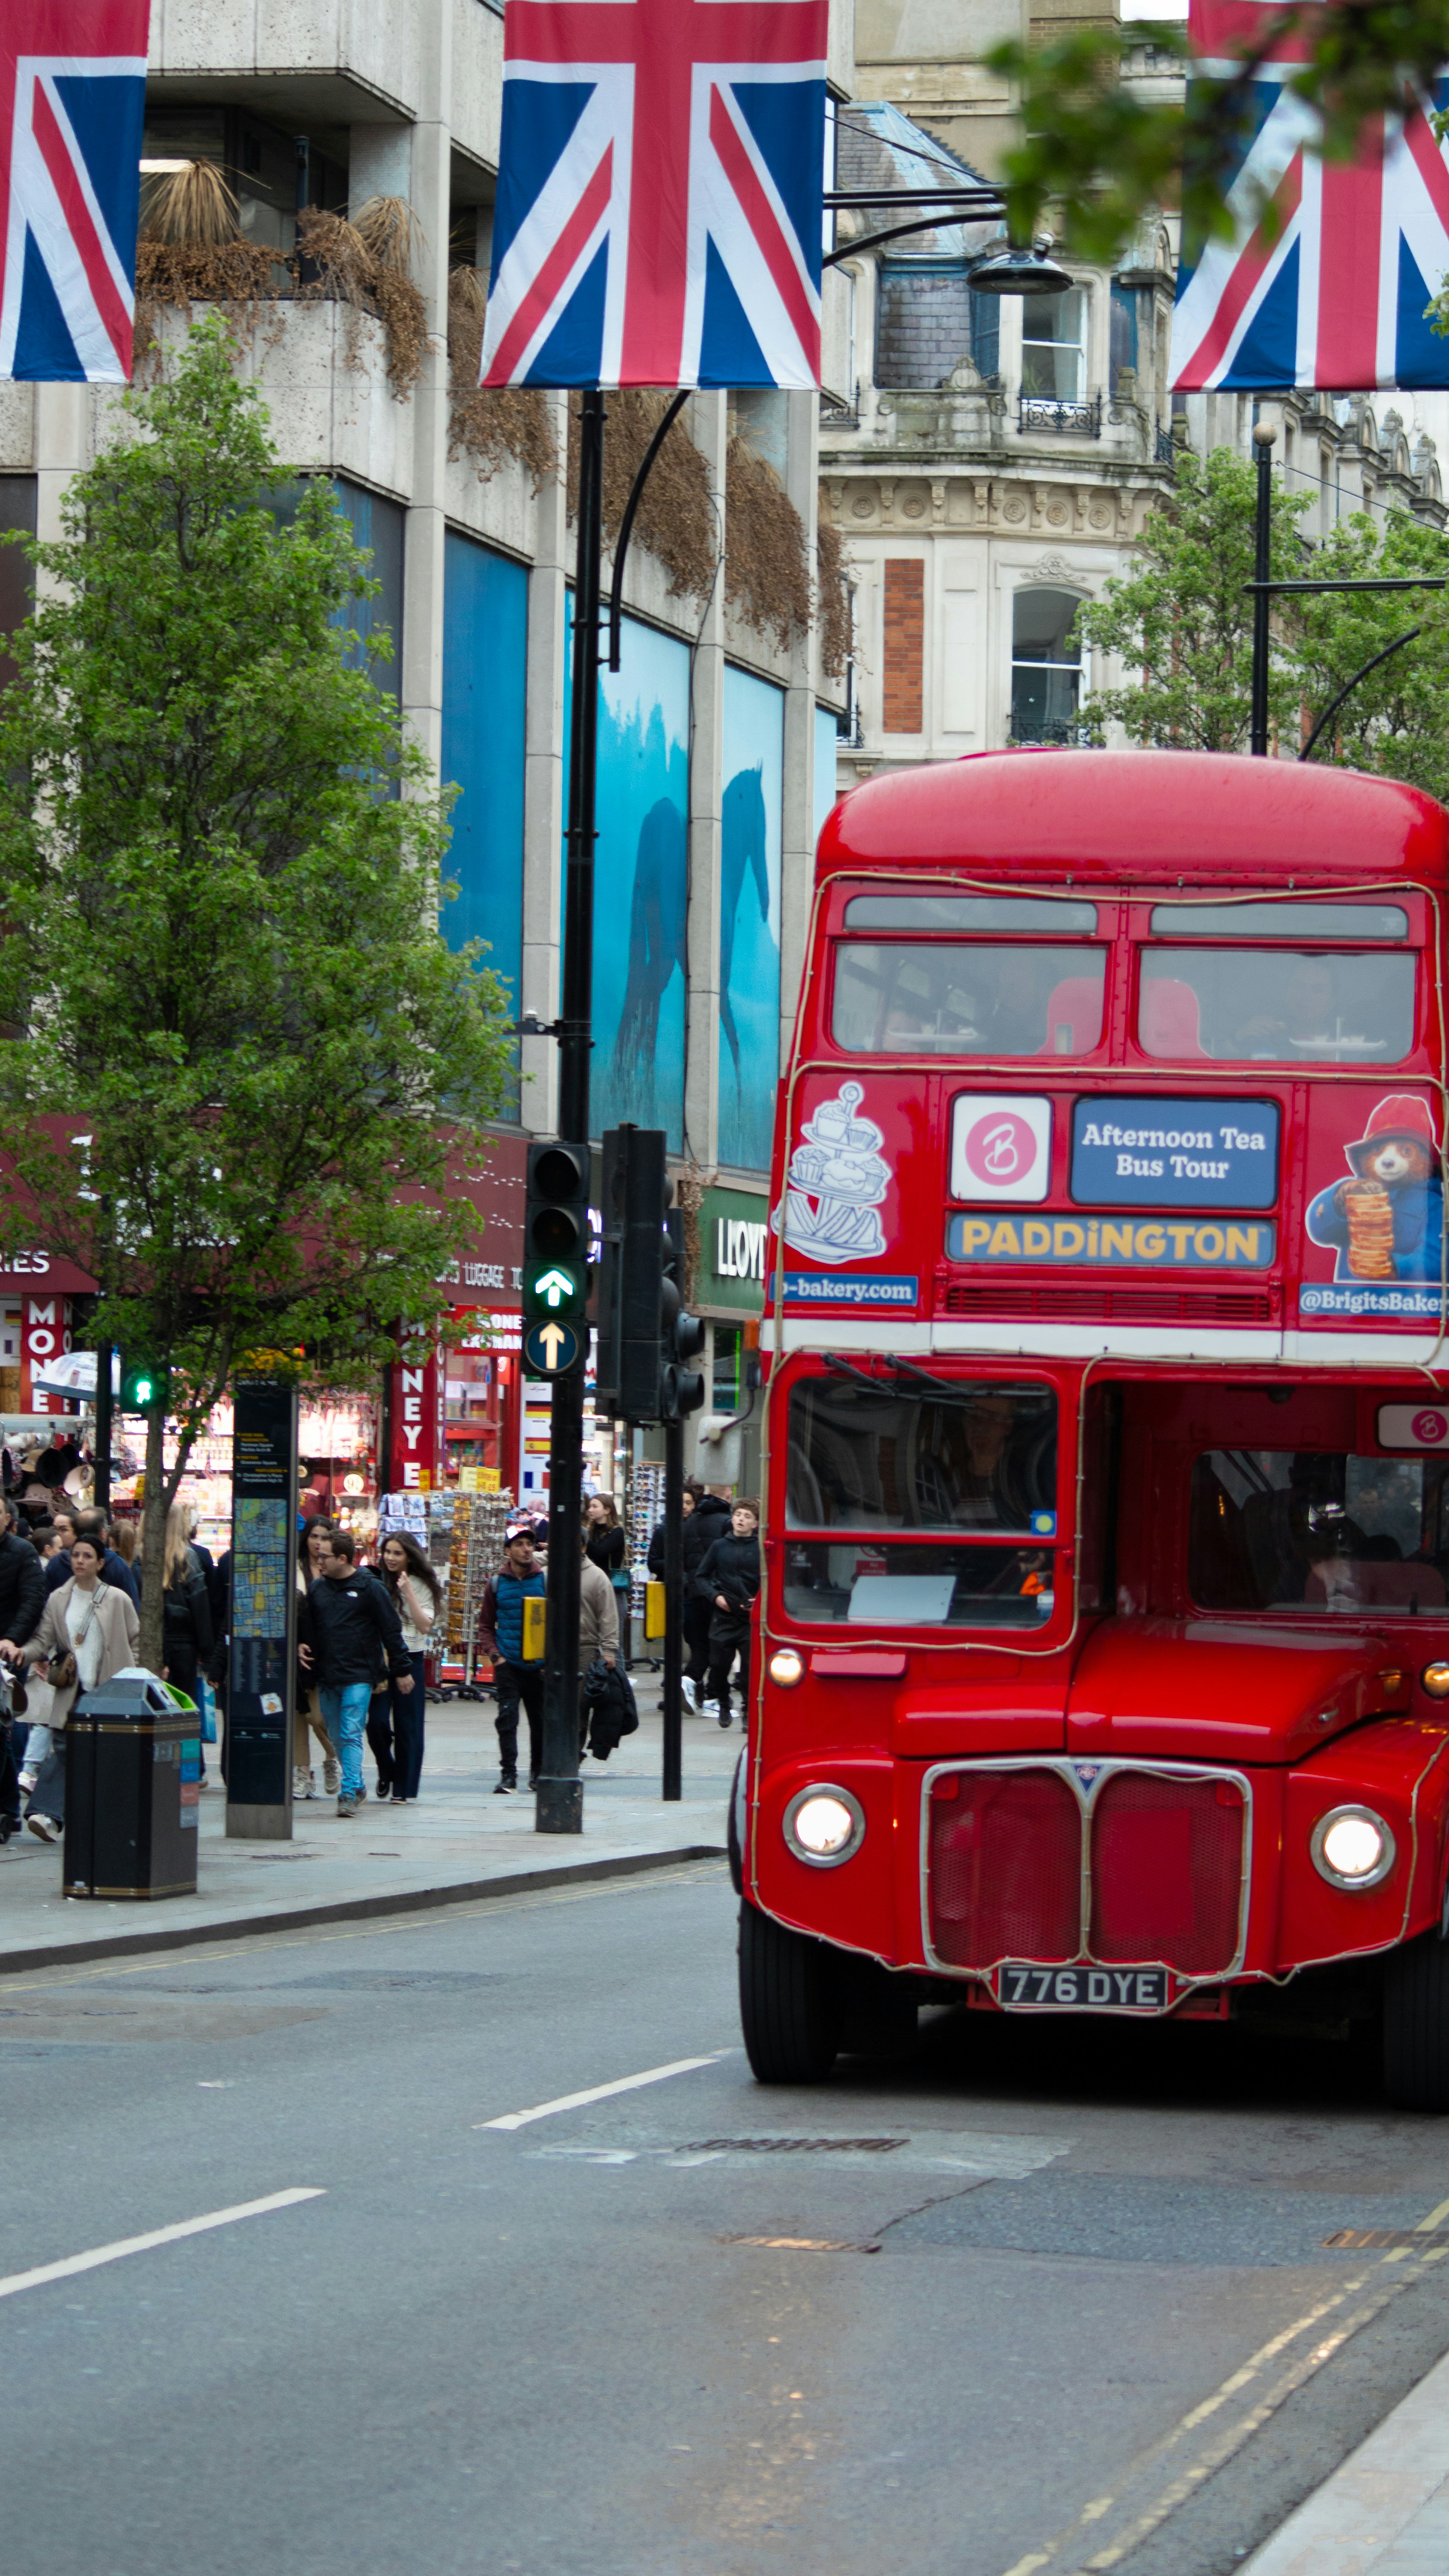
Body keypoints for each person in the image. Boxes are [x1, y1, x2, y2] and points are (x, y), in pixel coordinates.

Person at [5, 1530, 140, 1841]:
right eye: (75, 1555)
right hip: (74, 1690)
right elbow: (45, 1640)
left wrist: (129, 1671)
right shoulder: (59, 1599)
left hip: (110, 1689)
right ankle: (48, 1815)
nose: (79, 1561)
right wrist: (23, 1653)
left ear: (101, 1563)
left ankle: (90, 1819)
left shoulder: (117, 1599)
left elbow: (136, 1638)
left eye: (87, 1556)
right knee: (66, 1749)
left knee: (104, 1757)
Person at [298, 1528, 412, 1817]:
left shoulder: (370, 1587)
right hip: (327, 1676)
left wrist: (400, 1670)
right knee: (336, 1735)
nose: (319, 1561)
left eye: (324, 1557)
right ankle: (358, 1783)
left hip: (359, 1675)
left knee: (350, 1732)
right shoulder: (317, 1589)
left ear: (343, 1558)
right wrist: (301, 1645)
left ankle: (348, 1792)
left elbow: (391, 1630)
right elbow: (308, 1628)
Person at [476, 1526, 548, 1794]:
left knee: (540, 1722)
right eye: (519, 1544)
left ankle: (538, 1774)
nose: (527, 1548)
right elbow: (485, 1626)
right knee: (507, 1720)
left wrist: (549, 1660)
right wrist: (496, 1656)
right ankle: (508, 1775)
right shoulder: (496, 1584)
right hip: (508, 1665)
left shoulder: (544, 1582)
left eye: (530, 1543)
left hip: (538, 1667)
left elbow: (556, 1625)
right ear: (508, 1551)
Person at [370, 1532, 440, 1804]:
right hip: (382, 1660)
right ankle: (387, 1768)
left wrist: (408, 1591)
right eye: (388, 1552)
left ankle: (404, 1788)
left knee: (408, 1726)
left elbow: (424, 1625)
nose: (391, 1558)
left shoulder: (423, 1585)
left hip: (411, 1658)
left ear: (410, 1556)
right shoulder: (375, 1580)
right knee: (375, 1722)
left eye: (398, 1553)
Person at [139, 1503, 213, 1711]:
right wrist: (207, 1652)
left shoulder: (139, 1559)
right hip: (184, 1649)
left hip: (147, 1644)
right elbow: (201, 1608)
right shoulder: (188, 1558)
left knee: (152, 1709)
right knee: (183, 1710)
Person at [695, 1498, 761, 1730]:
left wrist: (760, 1601)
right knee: (719, 1666)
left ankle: (747, 1709)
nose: (741, 1519)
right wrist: (716, 1597)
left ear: (755, 1523)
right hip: (724, 1615)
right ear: (732, 1518)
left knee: (749, 1670)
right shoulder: (720, 1546)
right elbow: (701, 1576)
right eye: (738, 1515)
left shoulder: (761, 1547)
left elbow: (773, 1579)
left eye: (747, 1516)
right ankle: (724, 1702)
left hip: (751, 1618)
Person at [0, 1495, 44, 1837]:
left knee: (1, 1729)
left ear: (8, 1520)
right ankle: (10, 1809)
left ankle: (8, 1808)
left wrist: (12, 1640)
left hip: (7, 1656)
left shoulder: (22, 1553)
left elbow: (32, 1602)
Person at [292, 1521, 340, 1799]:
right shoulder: (295, 1569)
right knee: (299, 1715)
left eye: (324, 1537)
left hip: (326, 1654)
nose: (318, 1543)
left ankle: (332, 1758)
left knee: (318, 1715)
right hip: (297, 1653)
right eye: (314, 1536)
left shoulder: (333, 1570)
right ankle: (302, 1773)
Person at [683, 1485, 731, 1711]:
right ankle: (713, 1697)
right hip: (719, 1594)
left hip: (695, 1592)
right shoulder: (726, 1521)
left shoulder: (691, 1522)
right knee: (720, 1648)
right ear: (727, 1494)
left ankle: (689, 1680)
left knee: (701, 1643)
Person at [44, 1506, 140, 1606]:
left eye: (88, 1556)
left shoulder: (56, 1563)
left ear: (76, 1533)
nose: (80, 1561)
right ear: (103, 1533)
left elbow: (45, 1604)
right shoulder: (118, 1566)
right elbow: (132, 1608)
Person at [578, 1528, 619, 1755]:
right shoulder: (546, 1573)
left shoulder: (597, 1577)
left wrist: (609, 1651)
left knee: (580, 1705)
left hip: (586, 1647)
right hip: (552, 1649)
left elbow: (608, 1616)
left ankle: (573, 1752)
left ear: (584, 1547)